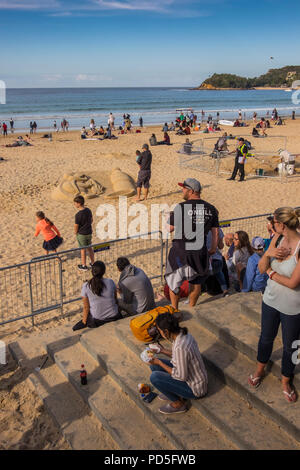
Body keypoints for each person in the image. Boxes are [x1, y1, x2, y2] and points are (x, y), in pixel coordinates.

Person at [249, 207, 300, 403]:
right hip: (270, 300)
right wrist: (268, 253)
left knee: (291, 346)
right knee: (266, 338)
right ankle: (259, 370)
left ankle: (286, 381)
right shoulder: (276, 239)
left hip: (293, 306)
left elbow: (293, 283)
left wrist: (271, 273)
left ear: (282, 225)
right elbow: (262, 268)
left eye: (274, 223)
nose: (271, 226)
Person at [165, 178, 219, 309]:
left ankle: (175, 309)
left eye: (184, 188)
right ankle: (191, 306)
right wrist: (212, 248)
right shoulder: (211, 208)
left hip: (181, 251)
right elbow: (215, 232)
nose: (182, 190)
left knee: (174, 284)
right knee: (196, 283)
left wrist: (170, 216)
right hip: (199, 250)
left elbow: (169, 228)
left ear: (191, 191)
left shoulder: (181, 207)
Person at [147, 313, 208, 414]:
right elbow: (178, 356)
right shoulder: (183, 334)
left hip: (195, 388)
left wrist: (160, 363)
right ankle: (173, 391)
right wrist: (161, 350)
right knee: (154, 365)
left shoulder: (180, 347)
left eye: (160, 331)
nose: (159, 333)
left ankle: (179, 404)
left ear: (166, 332)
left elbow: (181, 376)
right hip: (191, 377)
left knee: (155, 377)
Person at [73, 261, 122, 331]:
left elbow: (86, 307)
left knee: (75, 327)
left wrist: (84, 322)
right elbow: (115, 299)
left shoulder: (86, 286)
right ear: (104, 271)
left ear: (92, 272)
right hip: (114, 316)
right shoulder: (110, 282)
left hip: (98, 320)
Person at [74, 195, 95, 271]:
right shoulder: (88, 210)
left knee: (83, 250)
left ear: (79, 203)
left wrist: (75, 232)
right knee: (89, 248)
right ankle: (93, 263)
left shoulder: (78, 215)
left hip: (82, 234)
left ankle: (84, 265)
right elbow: (92, 220)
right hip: (89, 232)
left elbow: (76, 226)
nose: (74, 204)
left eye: (75, 203)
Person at [207, 227, 229, 296]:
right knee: (219, 273)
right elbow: (221, 246)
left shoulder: (201, 228)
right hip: (216, 257)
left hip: (205, 257)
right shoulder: (218, 229)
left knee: (201, 276)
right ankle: (225, 290)